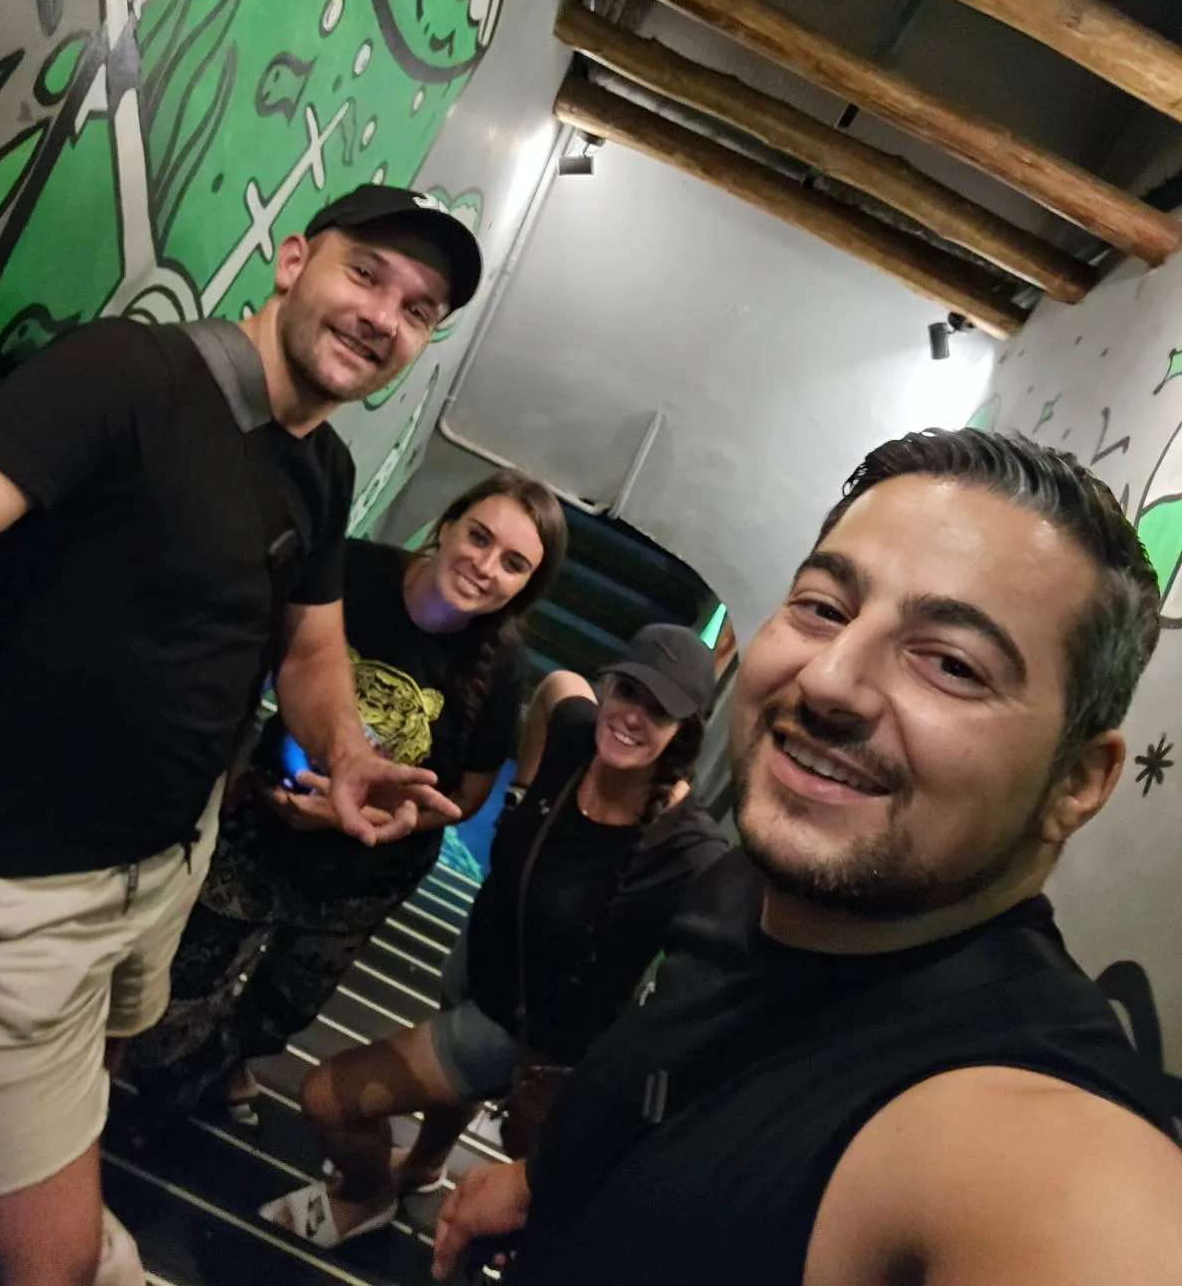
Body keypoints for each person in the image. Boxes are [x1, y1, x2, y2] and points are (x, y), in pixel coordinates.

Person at [433, 429, 1182, 1286]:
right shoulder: (743, 888)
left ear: (1078, 782)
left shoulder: (1038, 1144)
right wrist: (543, 1182)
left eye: (950, 663)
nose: (828, 681)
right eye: (823, 607)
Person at [0, 181, 481, 1286]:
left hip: (164, 865)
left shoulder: (322, 464)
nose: (384, 316)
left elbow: (307, 653)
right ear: (293, 259)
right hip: (24, 891)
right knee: (54, 1262)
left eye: (420, 307)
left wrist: (349, 755)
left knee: (105, 1066)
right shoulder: (131, 375)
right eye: (368, 273)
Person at [124, 469, 567, 1132]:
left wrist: (375, 819)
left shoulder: (502, 663)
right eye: (478, 536)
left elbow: (466, 795)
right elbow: (256, 663)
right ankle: (163, 1099)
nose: (484, 566)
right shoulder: (352, 574)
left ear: (525, 586)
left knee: (282, 1012)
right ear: (447, 525)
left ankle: (225, 1067)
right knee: (178, 995)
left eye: (513, 564)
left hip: (363, 876)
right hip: (260, 827)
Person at [260, 624, 727, 1248]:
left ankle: (366, 1194)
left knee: (325, 1097)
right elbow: (557, 689)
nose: (632, 717)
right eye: (628, 691)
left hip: (522, 1036)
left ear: (686, 732)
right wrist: (521, 793)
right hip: (477, 964)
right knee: (444, 1082)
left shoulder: (689, 853)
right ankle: (424, 1168)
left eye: (659, 709)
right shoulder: (572, 737)